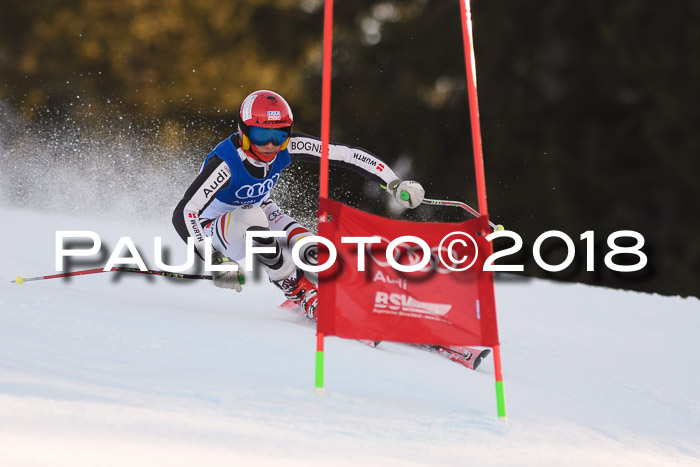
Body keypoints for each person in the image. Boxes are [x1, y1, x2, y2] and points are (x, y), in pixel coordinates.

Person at [172, 90, 424, 318]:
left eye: (280, 135)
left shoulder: (286, 147)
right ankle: (299, 291)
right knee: (252, 216)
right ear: (244, 131)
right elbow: (184, 213)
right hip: (215, 232)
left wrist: (394, 183)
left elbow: (345, 155)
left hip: (261, 212)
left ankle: (361, 295)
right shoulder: (226, 163)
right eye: (261, 135)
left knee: (313, 248)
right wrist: (215, 261)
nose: (271, 145)